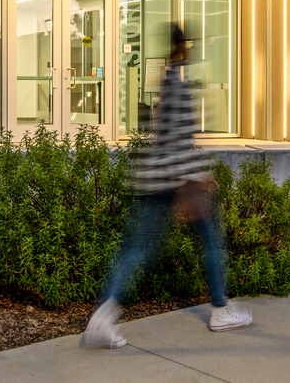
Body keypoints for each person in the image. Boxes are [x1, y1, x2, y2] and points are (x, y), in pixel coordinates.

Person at [83, 24, 252, 348]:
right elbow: (174, 142)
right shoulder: (177, 86)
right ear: (183, 47)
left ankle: (101, 320)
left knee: (135, 252)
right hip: (172, 182)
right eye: (190, 44)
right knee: (211, 242)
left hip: (153, 180)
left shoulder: (164, 82)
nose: (193, 49)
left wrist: (192, 175)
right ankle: (220, 309)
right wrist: (190, 183)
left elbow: (164, 137)